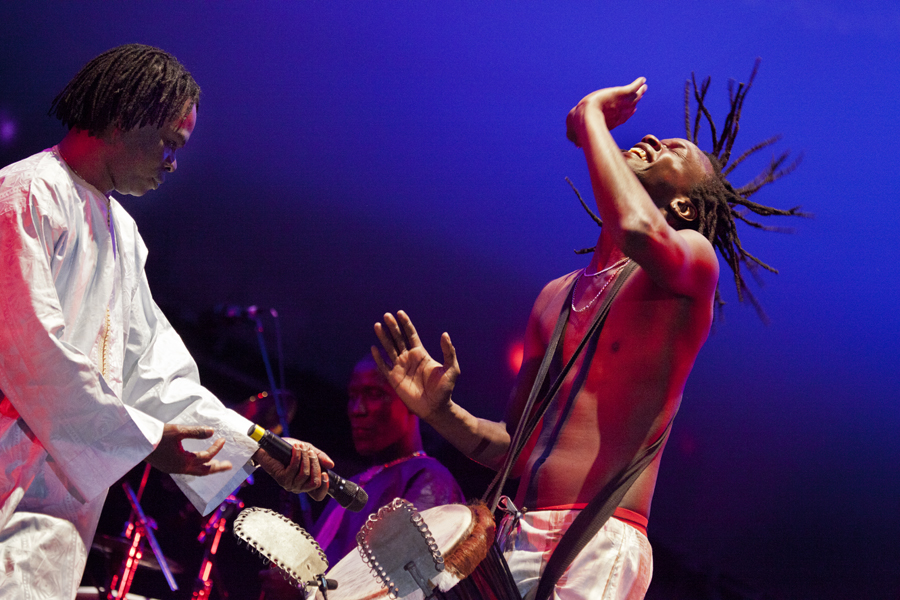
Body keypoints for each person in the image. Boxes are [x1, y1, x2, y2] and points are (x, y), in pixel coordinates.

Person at [373, 65, 803, 600]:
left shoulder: (693, 263)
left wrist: (592, 117)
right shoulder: (555, 295)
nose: (649, 138)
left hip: (596, 539)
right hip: (511, 534)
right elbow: (515, 448)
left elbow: (637, 227)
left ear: (686, 207)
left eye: (672, 148)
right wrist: (443, 413)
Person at [0, 44, 331, 599]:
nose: (173, 163)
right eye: (169, 144)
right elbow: (34, 355)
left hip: (55, 521)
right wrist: (148, 442)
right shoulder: (24, 195)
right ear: (126, 116)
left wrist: (264, 450)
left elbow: (155, 375)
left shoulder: (122, 235)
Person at [259, 353, 464, 597]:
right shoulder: (358, 481)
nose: (357, 410)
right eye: (352, 396)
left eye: (374, 394)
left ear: (412, 400)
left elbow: (410, 585)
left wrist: (305, 588)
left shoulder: (428, 477)